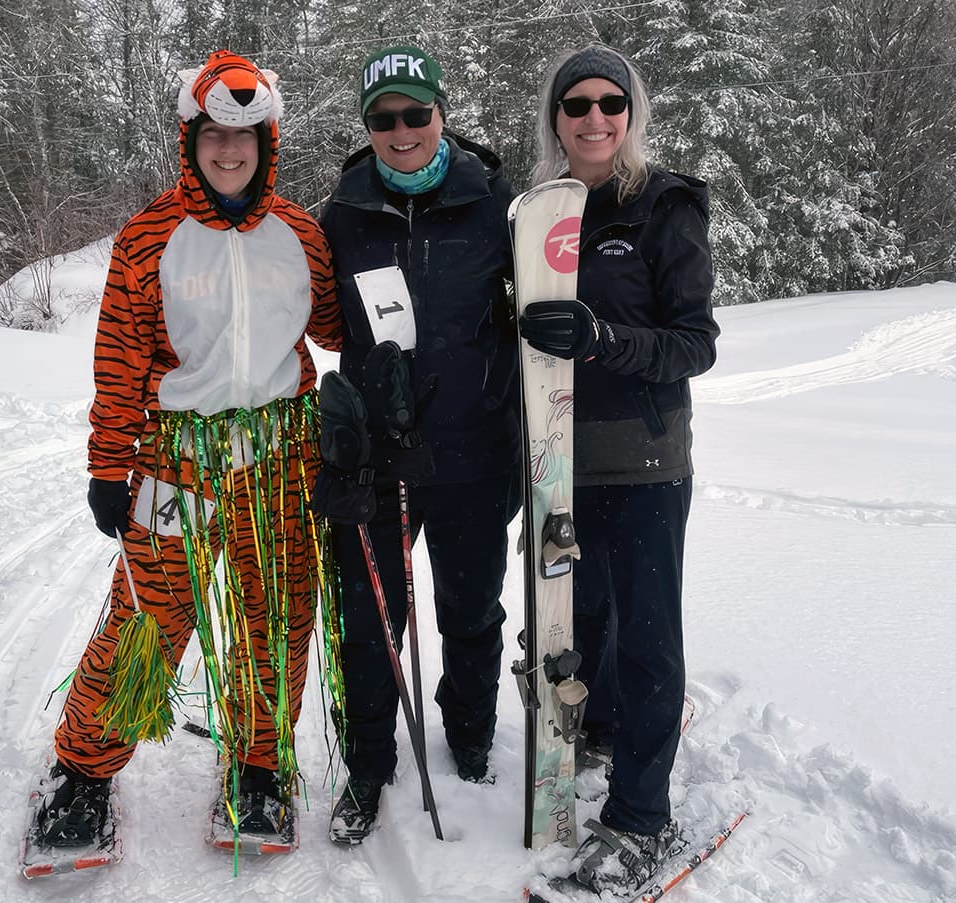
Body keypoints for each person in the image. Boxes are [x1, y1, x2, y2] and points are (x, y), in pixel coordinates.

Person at [32, 50, 343, 856]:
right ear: (190, 140)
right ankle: (83, 769)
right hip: (178, 458)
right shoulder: (149, 237)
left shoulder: (301, 233)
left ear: (268, 141)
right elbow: (118, 363)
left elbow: (340, 327)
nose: (230, 150)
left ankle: (258, 767)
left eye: (246, 135)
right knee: (150, 615)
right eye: (214, 134)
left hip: (282, 455)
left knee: (276, 616)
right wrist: (108, 467)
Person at [515, 44, 719, 895]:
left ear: (631, 113)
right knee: (577, 624)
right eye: (577, 104)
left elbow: (695, 343)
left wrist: (602, 338)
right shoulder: (537, 213)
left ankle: (641, 818)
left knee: (645, 636)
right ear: (555, 119)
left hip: (644, 462)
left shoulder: (664, 207)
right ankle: (599, 735)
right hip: (558, 462)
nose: (594, 118)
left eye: (611, 102)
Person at [316, 45, 520, 845]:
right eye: (383, 119)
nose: (401, 131)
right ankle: (369, 763)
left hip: (474, 446)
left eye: (415, 114)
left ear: (441, 112)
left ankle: (470, 734)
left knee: (470, 609)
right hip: (378, 453)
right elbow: (322, 321)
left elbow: (528, 311)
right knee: (370, 618)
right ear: (366, 127)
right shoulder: (342, 213)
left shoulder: (492, 199)